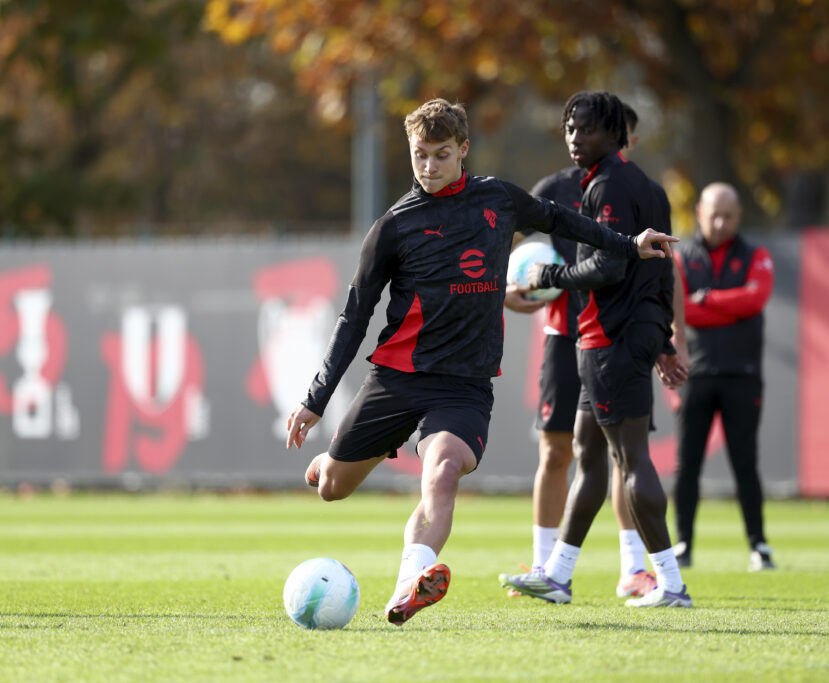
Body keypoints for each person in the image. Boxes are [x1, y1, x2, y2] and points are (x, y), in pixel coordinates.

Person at [284, 98, 679, 626]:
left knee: (443, 470)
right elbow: (354, 317)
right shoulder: (393, 228)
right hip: (397, 380)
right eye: (419, 155)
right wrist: (316, 400)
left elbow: (565, 220)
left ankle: (410, 582)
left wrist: (630, 244)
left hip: (463, 389)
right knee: (333, 487)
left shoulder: (498, 199)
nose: (428, 167)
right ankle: (329, 463)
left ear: (463, 150)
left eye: (441, 155)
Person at [500, 91, 692, 608]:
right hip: (620, 337)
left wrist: (549, 275)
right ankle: (557, 576)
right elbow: (656, 267)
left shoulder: (605, 186)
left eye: (586, 130)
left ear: (615, 133)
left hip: (610, 339)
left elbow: (610, 266)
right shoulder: (648, 188)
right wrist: (665, 340)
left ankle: (669, 583)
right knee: (587, 455)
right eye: (569, 129)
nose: (574, 138)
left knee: (631, 462)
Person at [670, 182, 776, 572]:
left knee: (745, 463)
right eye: (714, 213)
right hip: (695, 374)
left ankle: (758, 545)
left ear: (739, 216)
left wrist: (708, 298)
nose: (720, 221)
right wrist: (727, 307)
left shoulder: (755, 254)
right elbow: (680, 310)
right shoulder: (683, 256)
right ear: (699, 212)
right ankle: (682, 544)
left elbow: (756, 298)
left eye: (728, 215)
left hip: (742, 375)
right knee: (688, 465)